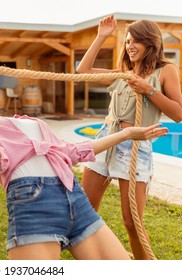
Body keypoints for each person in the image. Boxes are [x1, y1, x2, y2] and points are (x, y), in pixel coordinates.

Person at [0, 98, 168, 260]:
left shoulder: (24, 122)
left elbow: (73, 151)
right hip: (34, 202)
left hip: (75, 199)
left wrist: (125, 134)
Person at [76, 15, 182, 259]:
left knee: (132, 222)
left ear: (150, 43)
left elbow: (178, 114)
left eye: (136, 41)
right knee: (85, 211)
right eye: (127, 41)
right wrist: (102, 36)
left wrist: (149, 90)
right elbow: (83, 71)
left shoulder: (166, 70)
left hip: (135, 147)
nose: (130, 46)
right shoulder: (123, 73)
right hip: (106, 139)